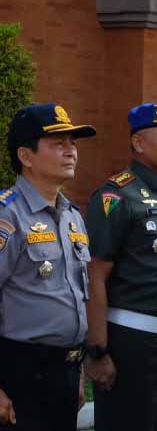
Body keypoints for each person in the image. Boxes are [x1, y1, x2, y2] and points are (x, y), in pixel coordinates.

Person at [84, 102, 157, 431]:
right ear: (138, 143)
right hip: (135, 345)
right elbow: (95, 274)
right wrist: (97, 350)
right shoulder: (117, 197)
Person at [0, 104, 96, 430]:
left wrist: (78, 370)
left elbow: (75, 297)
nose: (71, 151)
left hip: (66, 370)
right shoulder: (8, 216)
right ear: (26, 156)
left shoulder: (72, 216)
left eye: (73, 143)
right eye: (58, 144)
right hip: (19, 373)